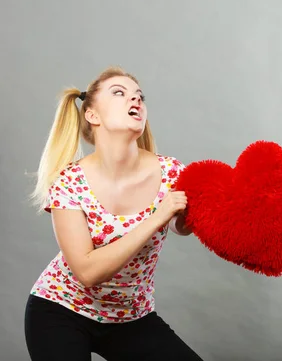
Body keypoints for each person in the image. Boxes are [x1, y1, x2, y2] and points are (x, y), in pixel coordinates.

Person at [26, 67, 204, 361]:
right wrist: (157, 216)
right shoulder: (70, 183)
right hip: (62, 310)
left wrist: (192, 215)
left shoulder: (171, 171)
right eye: (119, 93)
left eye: (139, 96)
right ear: (92, 115)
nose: (135, 100)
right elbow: (88, 272)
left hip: (131, 318)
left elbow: (181, 225)